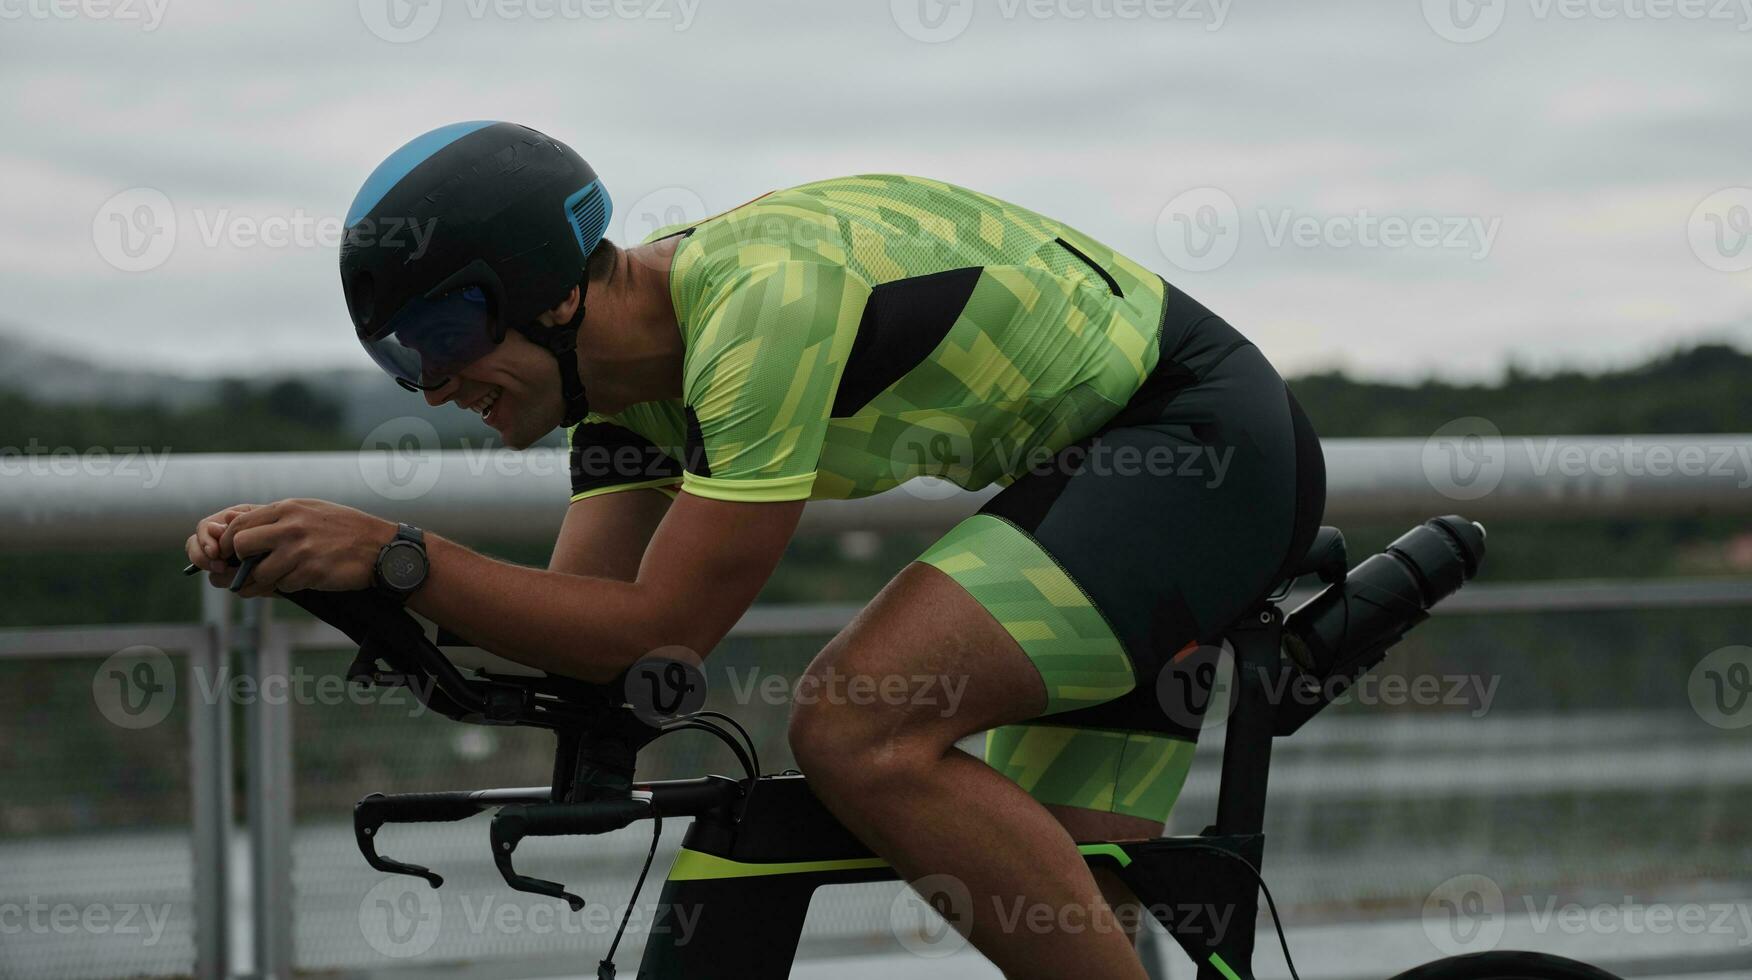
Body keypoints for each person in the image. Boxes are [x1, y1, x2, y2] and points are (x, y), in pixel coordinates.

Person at [185, 121, 1325, 979]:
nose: (431, 386)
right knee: (1069, 925)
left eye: (439, 338)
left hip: (1196, 443)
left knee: (857, 723)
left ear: (548, 292)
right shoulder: (623, 403)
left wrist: (399, 550)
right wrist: (342, 575)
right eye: (400, 359)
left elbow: (663, 630)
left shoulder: (756, 314)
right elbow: (588, 634)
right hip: (1104, 473)